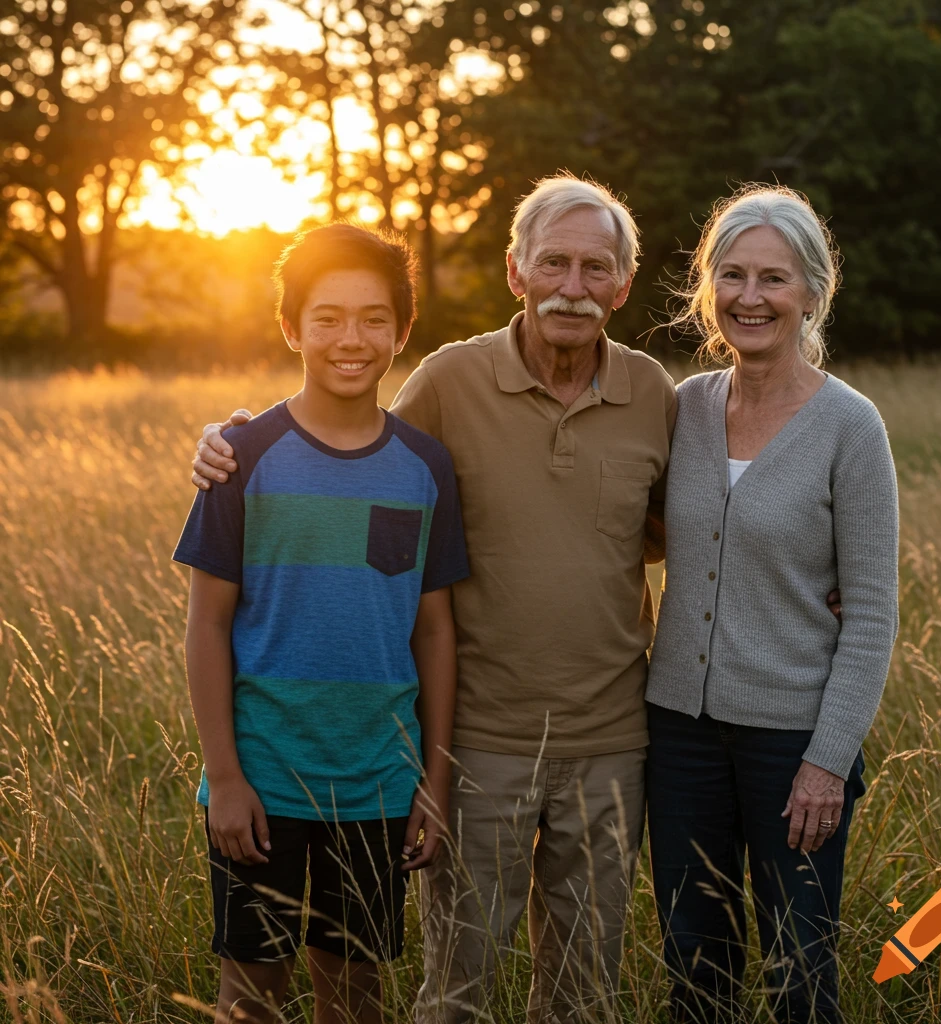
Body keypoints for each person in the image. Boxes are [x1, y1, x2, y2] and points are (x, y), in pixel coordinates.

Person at [190, 175, 678, 1023]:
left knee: (583, 990)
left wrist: (813, 576)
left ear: (623, 284)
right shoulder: (449, 384)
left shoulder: (656, 399)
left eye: (595, 267)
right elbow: (346, 430)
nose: (573, 284)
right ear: (516, 272)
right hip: (469, 743)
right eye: (552, 262)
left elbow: (703, 527)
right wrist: (228, 440)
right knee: (453, 988)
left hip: (604, 741)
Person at [173, 224, 468, 1024]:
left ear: (403, 333)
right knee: (251, 994)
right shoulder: (243, 456)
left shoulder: (425, 466)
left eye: (375, 319)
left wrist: (433, 783)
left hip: (377, 781)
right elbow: (205, 627)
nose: (351, 339)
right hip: (264, 779)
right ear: (291, 327)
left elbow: (434, 632)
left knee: (356, 994)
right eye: (327, 317)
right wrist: (225, 780)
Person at [645, 185, 900, 1023]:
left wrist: (829, 759)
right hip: (677, 730)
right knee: (693, 958)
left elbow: (868, 612)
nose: (750, 297)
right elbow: (613, 518)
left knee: (799, 963)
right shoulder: (682, 409)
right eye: (732, 275)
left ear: (813, 294)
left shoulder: (849, 427)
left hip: (793, 742)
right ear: (707, 288)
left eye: (774, 279)